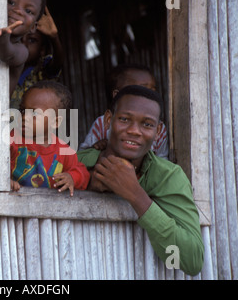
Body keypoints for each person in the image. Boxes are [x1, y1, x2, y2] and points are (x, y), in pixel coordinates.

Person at [77, 85, 204, 276]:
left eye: (147, 124)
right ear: (108, 120)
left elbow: (190, 261)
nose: (134, 131)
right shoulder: (77, 162)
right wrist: (87, 186)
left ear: (158, 130)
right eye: (125, 119)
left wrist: (136, 195)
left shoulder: (168, 177)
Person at [10, 81, 90, 196]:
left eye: (34, 114)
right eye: (23, 110)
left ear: (55, 121)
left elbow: (83, 173)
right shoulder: (12, 139)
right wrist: (5, 181)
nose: (24, 117)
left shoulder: (65, 151)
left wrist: (72, 177)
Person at [79, 64, 169, 160]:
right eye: (124, 119)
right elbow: (83, 156)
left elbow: (163, 161)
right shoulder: (101, 124)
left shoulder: (159, 129)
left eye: (152, 91)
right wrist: (96, 149)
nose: (134, 131)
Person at [10, 6, 64, 109]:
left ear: (42, 50)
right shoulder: (5, 69)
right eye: (19, 38)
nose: (24, 44)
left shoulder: (41, 71)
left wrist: (54, 37)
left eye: (32, 40)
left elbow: (57, 63)